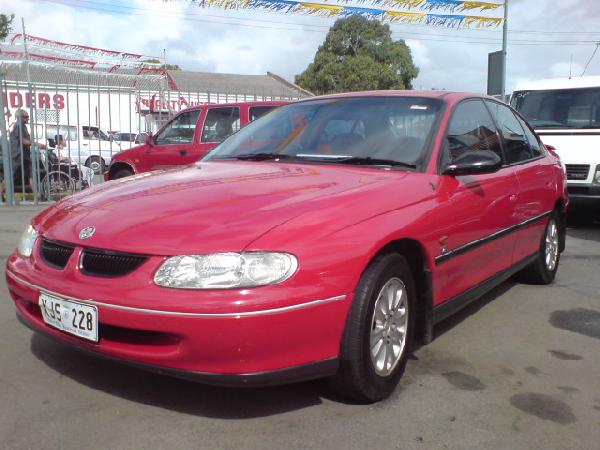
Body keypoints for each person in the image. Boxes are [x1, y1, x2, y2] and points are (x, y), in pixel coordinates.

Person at [9, 109, 45, 190]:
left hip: (23, 156)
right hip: (18, 156)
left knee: (30, 175)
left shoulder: (23, 126)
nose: (27, 118)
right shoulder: (18, 125)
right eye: (25, 117)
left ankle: (37, 195)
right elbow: (23, 141)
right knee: (11, 177)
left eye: (28, 117)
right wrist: (37, 144)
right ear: (19, 117)